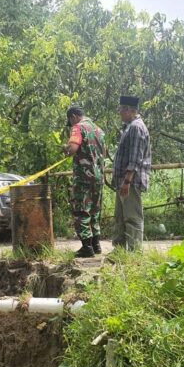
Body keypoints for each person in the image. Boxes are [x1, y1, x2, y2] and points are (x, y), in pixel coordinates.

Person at [63, 106, 106, 258]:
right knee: (95, 210)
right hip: (99, 177)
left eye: (70, 121)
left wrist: (66, 149)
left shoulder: (78, 128)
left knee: (81, 210)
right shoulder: (98, 130)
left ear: (73, 116)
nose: (71, 123)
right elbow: (104, 152)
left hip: (83, 178)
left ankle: (86, 247)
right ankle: (96, 245)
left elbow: (73, 149)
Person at [112, 95, 151, 252]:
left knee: (132, 217)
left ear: (128, 110)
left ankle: (135, 253)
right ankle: (119, 251)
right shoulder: (129, 126)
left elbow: (135, 158)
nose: (119, 112)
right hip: (123, 180)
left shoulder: (136, 127)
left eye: (121, 109)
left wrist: (127, 181)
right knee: (120, 217)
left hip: (130, 181)